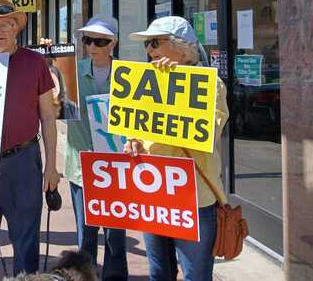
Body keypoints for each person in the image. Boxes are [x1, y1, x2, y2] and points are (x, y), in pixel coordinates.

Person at [124, 16, 229, 281]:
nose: (149, 50)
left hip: (193, 199)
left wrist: (177, 83)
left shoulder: (211, 85)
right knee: (159, 273)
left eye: (155, 42)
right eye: (146, 44)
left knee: (195, 275)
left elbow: (206, 134)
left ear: (182, 48)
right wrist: (132, 141)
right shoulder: (147, 81)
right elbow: (137, 127)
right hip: (154, 193)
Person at [0, 0, 60, 280]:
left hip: (23, 162)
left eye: (5, 24)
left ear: (16, 28)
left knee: (26, 238)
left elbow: (48, 116)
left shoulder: (35, 62)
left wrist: (51, 166)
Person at [63, 16, 128, 281]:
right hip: (82, 164)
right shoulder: (71, 71)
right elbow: (48, 92)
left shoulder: (129, 75)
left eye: (100, 41)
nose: (92, 46)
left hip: (117, 167)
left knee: (115, 232)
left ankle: (115, 277)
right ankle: (84, 276)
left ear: (113, 43)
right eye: (87, 40)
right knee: (86, 231)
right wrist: (49, 57)